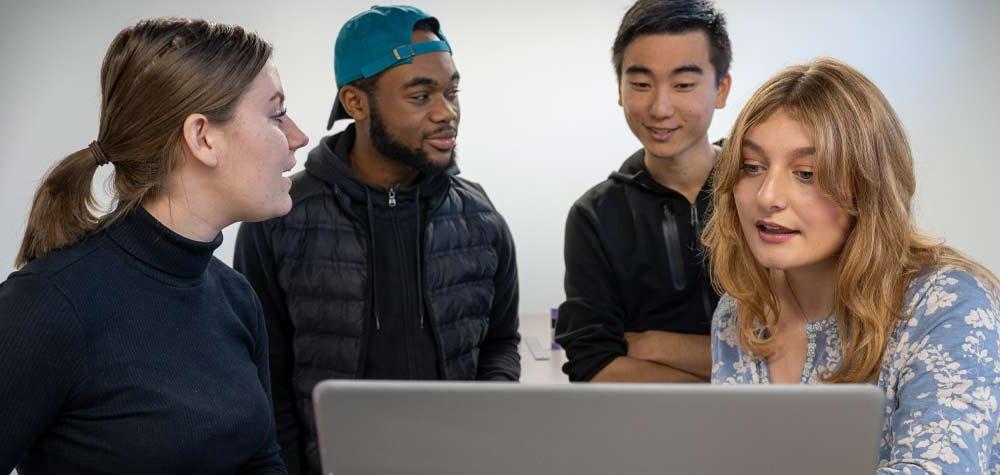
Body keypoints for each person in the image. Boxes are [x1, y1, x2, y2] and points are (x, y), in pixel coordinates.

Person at [0, 17, 309, 474]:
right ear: (202, 138)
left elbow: (262, 461)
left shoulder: (236, 299)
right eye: (275, 114)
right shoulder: (46, 305)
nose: (298, 137)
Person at [234, 5, 520, 473]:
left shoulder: (480, 215)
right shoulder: (280, 218)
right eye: (420, 96)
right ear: (356, 103)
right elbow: (266, 375)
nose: (446, 113)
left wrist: (488, 436)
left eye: (451, 91)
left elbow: (500, 344)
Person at [705, 57, 1000, 473]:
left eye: (806, 173)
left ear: (869, 186)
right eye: (752, 168)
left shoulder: (947, 305)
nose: (768, 195)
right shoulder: (740, 312)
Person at [555, 0, 732, 382]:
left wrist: (652, 345)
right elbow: (592, 364)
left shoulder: (762, 191)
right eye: (640, 84)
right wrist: (733, 383)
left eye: (684, 84)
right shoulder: (596, 216)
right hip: (645, 432)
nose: (660, 107)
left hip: (772, 426)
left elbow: (794, 350)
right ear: (620, 88)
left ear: (721, 88)